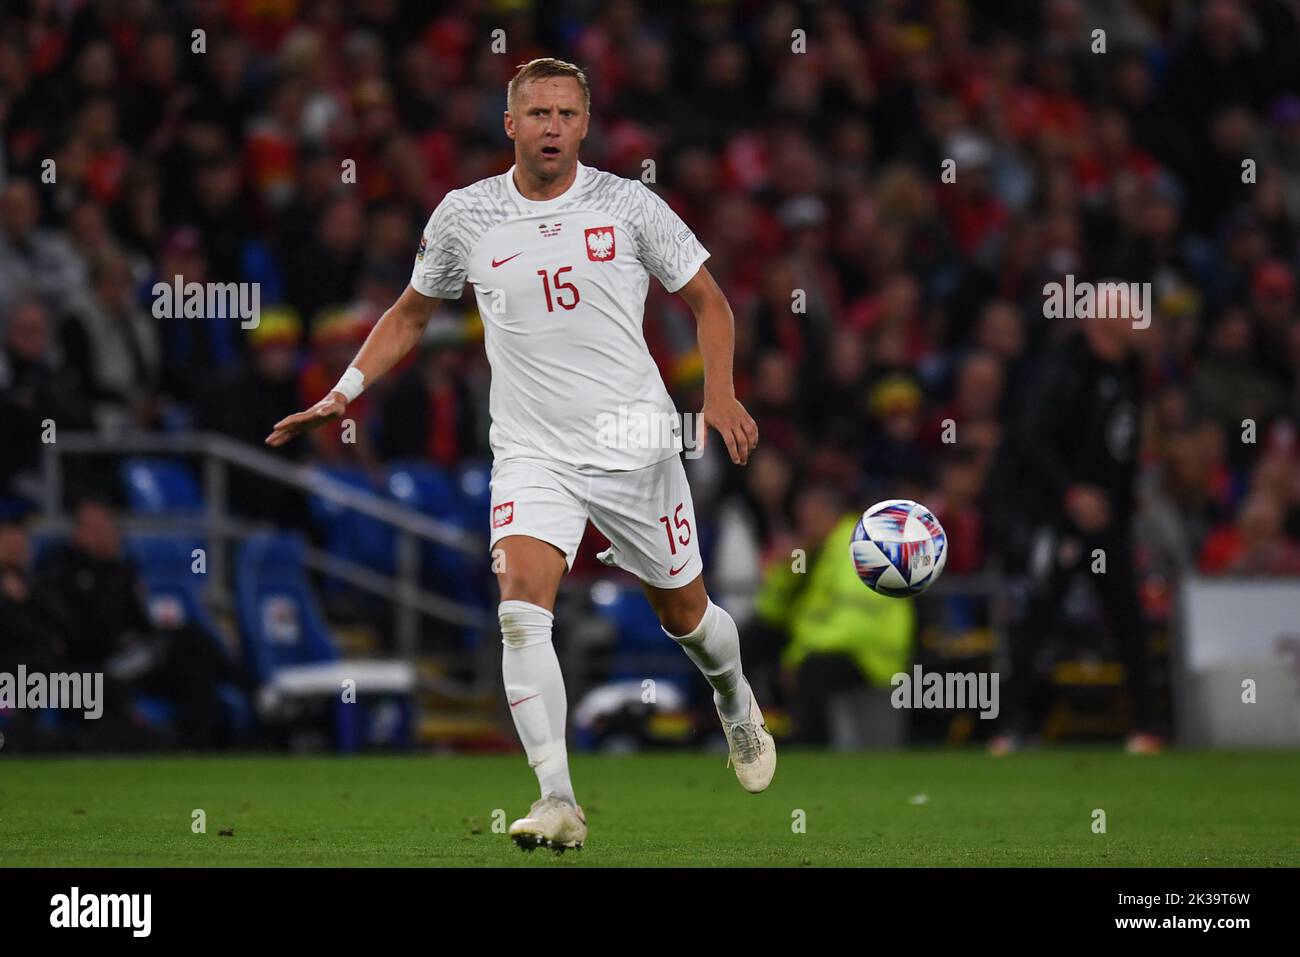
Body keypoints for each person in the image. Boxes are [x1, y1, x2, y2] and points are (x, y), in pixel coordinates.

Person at [266, 58, 769, 852]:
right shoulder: (467, 215)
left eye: (566, 114)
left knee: (687, 617)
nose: (551, 127)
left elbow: (708, 300)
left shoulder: (628, 203)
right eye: (536, 113)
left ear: (585, 124)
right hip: (533, 449)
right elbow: (408, 312)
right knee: (519, 606)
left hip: (632, 443)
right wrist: (344, 391)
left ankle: (735, 699)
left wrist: (719, 392)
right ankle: (558, 798)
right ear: (510, 124)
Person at [991, 297, 1164, 755]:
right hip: (1062, 519)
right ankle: (1009, 728)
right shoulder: (1064, 370)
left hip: (1110, 521)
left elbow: (1121, 443)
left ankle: (1146, 727)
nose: (1139, 321)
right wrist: (1070, 492)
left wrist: (1127, 499)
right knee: (1039, 617)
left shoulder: (1129, 369)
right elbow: (1032, 439)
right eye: (1131, 312)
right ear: (1103, 319)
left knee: (1128, 618)